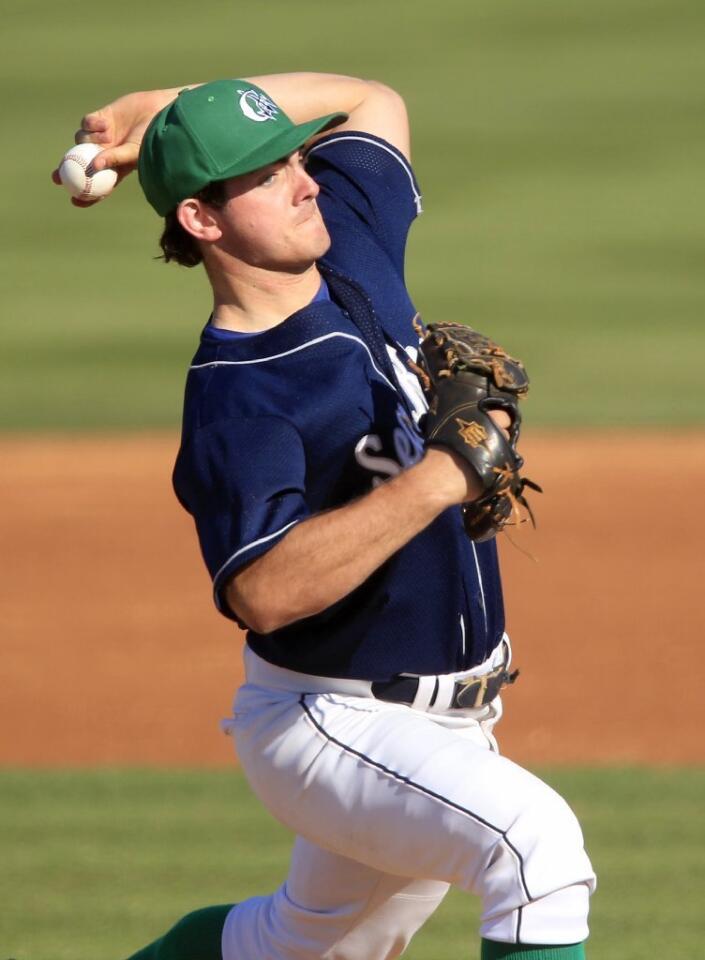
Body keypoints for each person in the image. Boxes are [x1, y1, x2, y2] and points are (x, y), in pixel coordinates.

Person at [54, 73, 596, 960]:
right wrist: (442, 477)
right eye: (266, 174)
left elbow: (371, 100)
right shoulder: (241, 396)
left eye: (296, 156)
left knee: (297, 945)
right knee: (534, 852)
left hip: (450, 723)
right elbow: (264, 591)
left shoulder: (347, 247)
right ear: (202, 219)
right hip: (333, 721)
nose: (305, 179)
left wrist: (162, 103)